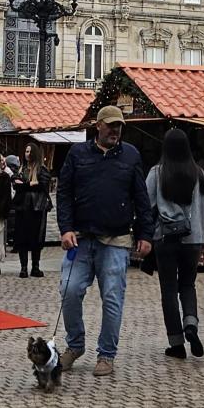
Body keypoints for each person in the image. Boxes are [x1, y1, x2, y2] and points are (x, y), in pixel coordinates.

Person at [56, 105, 154, 378]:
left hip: (116, 239)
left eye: (119, 126)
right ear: (97, 126)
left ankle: (106, 354)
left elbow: (141, 197)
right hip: (81, 239)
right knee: (69, 290)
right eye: (110, 125)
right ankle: (75, 345)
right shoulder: (78, 153)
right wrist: (65, 229)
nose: (115, 130)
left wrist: (146, 234)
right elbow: (64, 193)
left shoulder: (131, 155)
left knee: (112, 297)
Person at [146, 127, 204, 359]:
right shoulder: (199, 174)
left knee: (169, 289)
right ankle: (191, 325)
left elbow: (147, 206)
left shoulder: (157, 172)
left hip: (165, 238)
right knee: (188, 285)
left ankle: (176, 343)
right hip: (193, 240)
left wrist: (144, 236)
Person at [11, 144, 54, 278]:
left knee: (36, 238)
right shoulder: (22, 168)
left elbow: (42, 185)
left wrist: (24, 185)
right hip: (23, 208)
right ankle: (23, 268)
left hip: (37, 208)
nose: (27, 153)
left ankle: (35, 267)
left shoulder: (42, 169)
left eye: (29, 151)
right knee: (22, 238)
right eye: (26, 151)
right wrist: (29, 184)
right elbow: (15, 184)